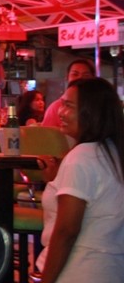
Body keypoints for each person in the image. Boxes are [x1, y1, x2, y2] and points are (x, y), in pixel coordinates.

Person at [36, 77, 124, 282]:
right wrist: (55, 180)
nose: (60, 112)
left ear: (91, 112)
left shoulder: (81, 156)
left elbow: (67, 232)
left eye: (68, 106)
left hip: (79, 268)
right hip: (110, 268)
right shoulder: (114, 152)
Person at [41, 58, 95, 128]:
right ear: (67, 77)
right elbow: (47, 133)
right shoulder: (55, 108)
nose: (80, 78)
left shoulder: (99, 104)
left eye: (86, 75)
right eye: (75, 74)